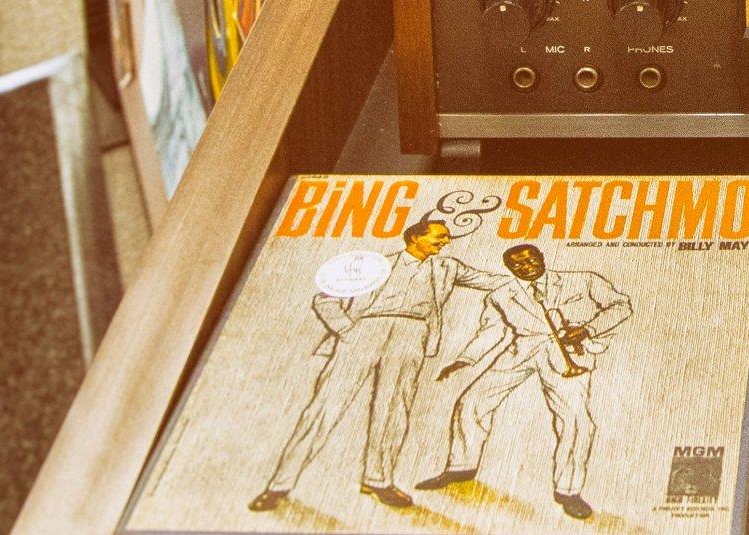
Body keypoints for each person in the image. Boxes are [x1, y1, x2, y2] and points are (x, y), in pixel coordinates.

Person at [250, 217, 503, 515]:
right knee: (326, 406)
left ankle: (378, 480)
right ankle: (279, 485)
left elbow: (494, 279)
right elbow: (325, 298)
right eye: (440, 236)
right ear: (414, 238)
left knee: (394, 409)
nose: (446, 242)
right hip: (365, 331)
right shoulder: (373, 265)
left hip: (412, 335)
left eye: (446, 237)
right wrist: (346, 330)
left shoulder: (448, 267)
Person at [417, 244, 633, 522]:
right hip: (522, 349)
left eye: (531, 260)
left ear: (542, 257)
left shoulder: (583, 279)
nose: (527, 267)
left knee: (576, 419)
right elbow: (491, 331)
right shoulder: (500, 295)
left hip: (567, 352)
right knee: (471, 402)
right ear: (509, 269)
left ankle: (568, 490)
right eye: (518, 265)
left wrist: (589, 329)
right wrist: (464, 359)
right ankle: (461, 466)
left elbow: (621, 305)